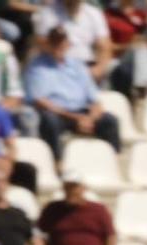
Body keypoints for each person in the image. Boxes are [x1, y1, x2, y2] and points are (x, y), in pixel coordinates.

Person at [25, 25, 121, 157]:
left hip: (81, 112)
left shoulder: (77, 65)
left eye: (62, 41)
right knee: (49, 121)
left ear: (68, 44)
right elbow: (40, 101)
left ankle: (113, 159)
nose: (59, 45)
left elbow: (94, 99)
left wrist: (89, 118)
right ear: (48, 44)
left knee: (110, 121)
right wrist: (76, 118)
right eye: (55, 42)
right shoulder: (37, 67)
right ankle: (57, 162)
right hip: (59, 114)